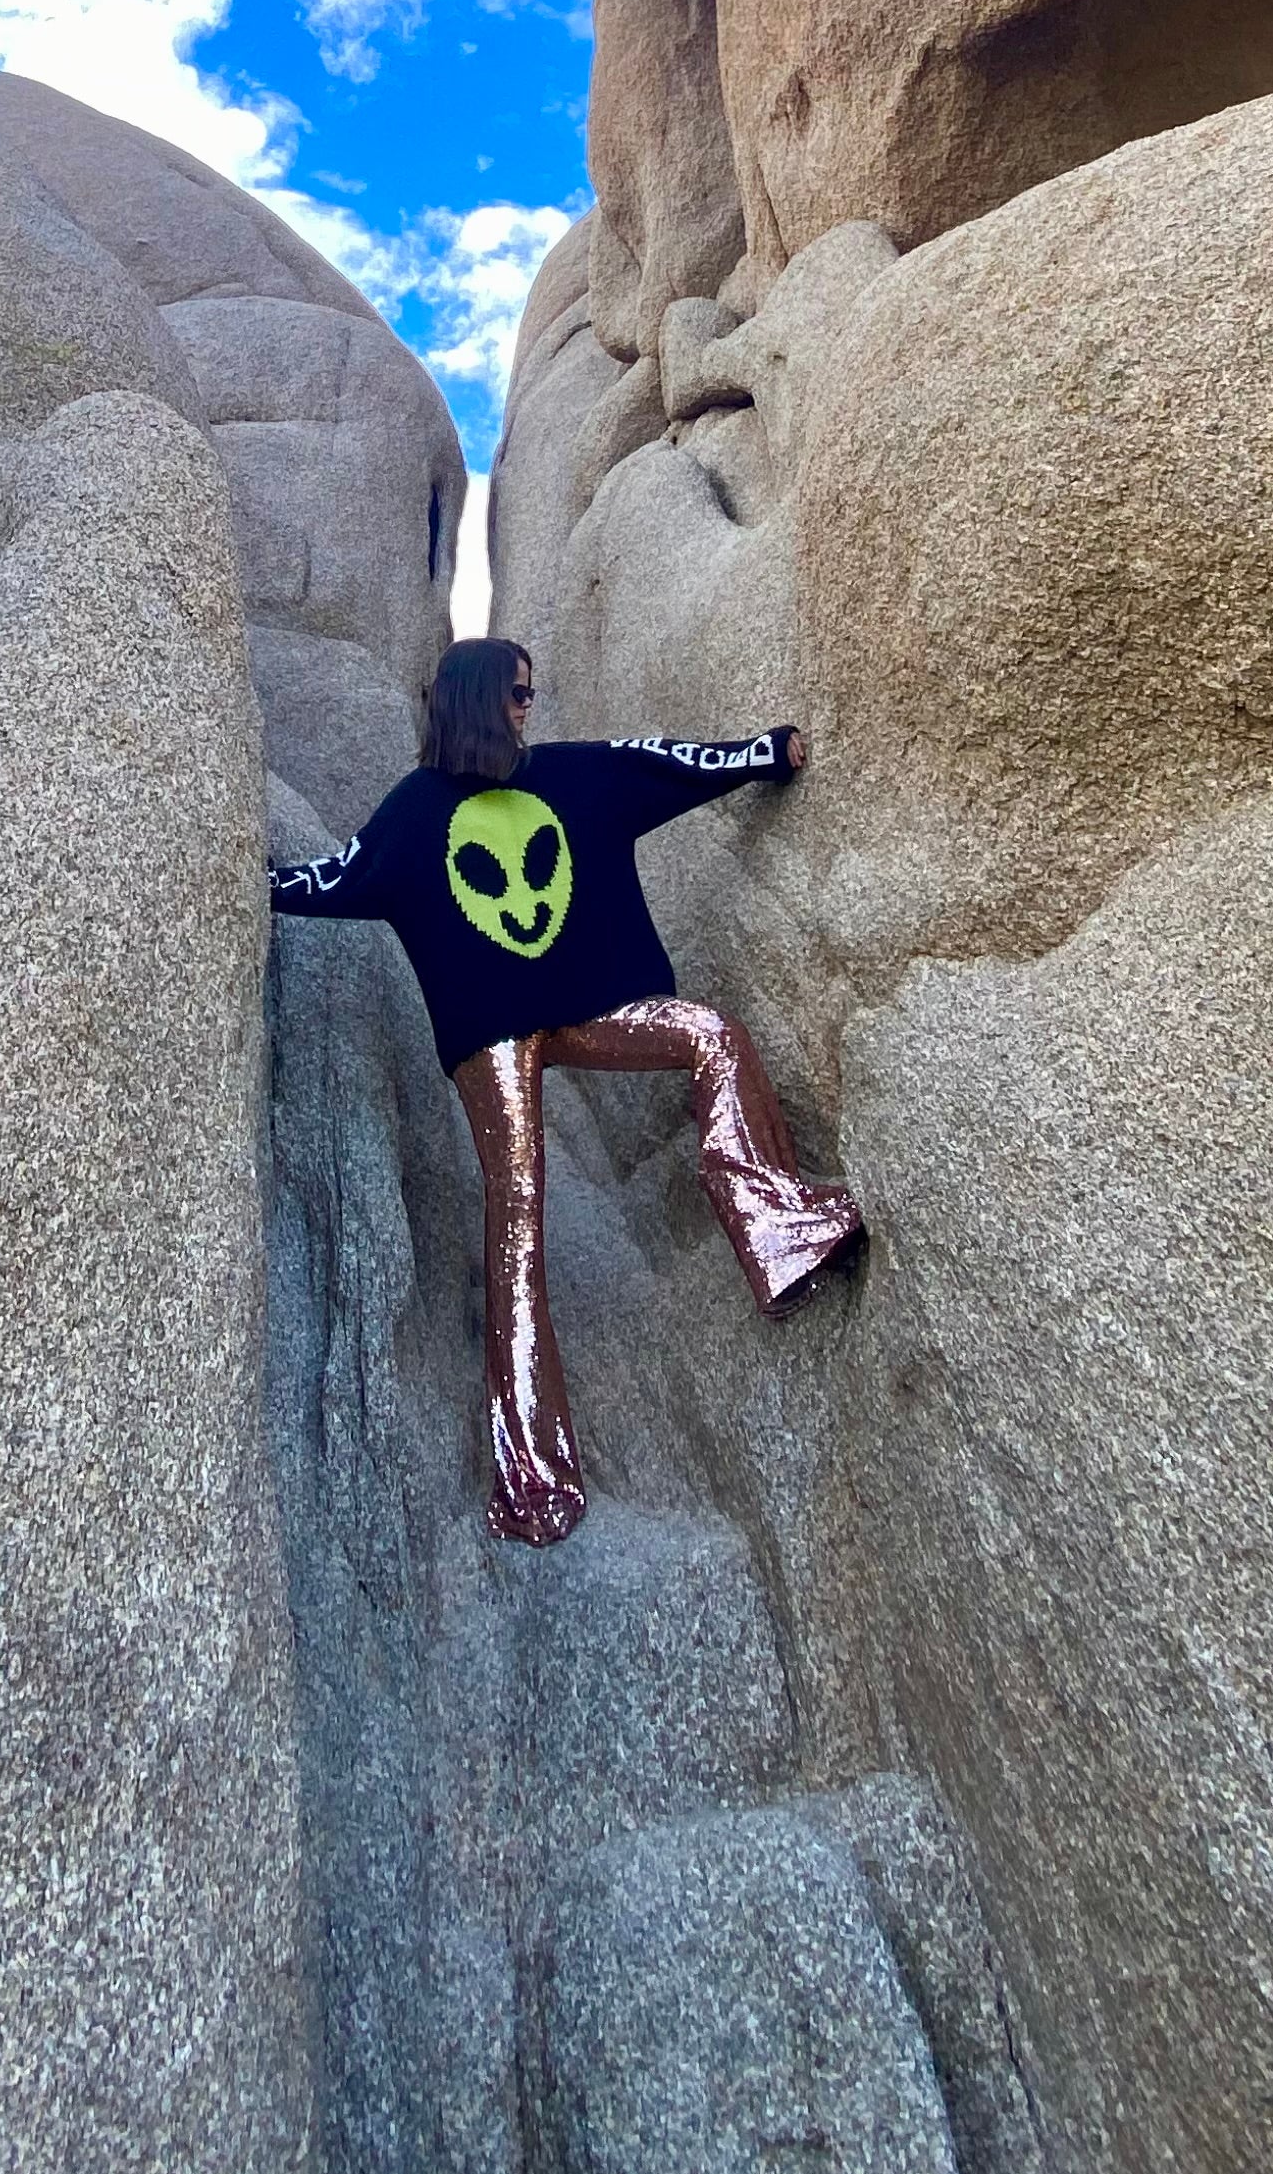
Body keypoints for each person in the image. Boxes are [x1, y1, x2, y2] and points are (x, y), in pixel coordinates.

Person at [268, 638, 863, 1546]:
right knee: (519, 1214)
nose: (527, 707)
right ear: (476, 699)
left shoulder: (566, 776)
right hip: (492, 1035)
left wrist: (765, 752)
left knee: (711, 1035)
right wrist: (248, 885)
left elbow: (666, 766)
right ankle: (531, 1474)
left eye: (531, 693)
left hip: (586, 1009)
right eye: (516, 693)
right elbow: (339, 877)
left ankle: (777, 1230)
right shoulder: (415, 810)